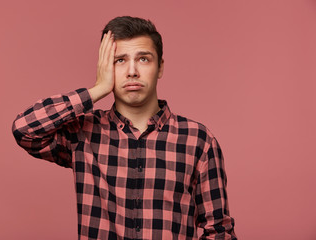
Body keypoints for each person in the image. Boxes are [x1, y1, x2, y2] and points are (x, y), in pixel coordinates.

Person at [12, 16, 237, 239]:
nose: (132, 71)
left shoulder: (198, 140)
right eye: (120, 60)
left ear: (160, 67)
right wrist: (97, 89)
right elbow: (25, 129)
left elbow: (219, 231)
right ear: (105, 67)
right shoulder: (83, 133)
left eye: (143, 59)